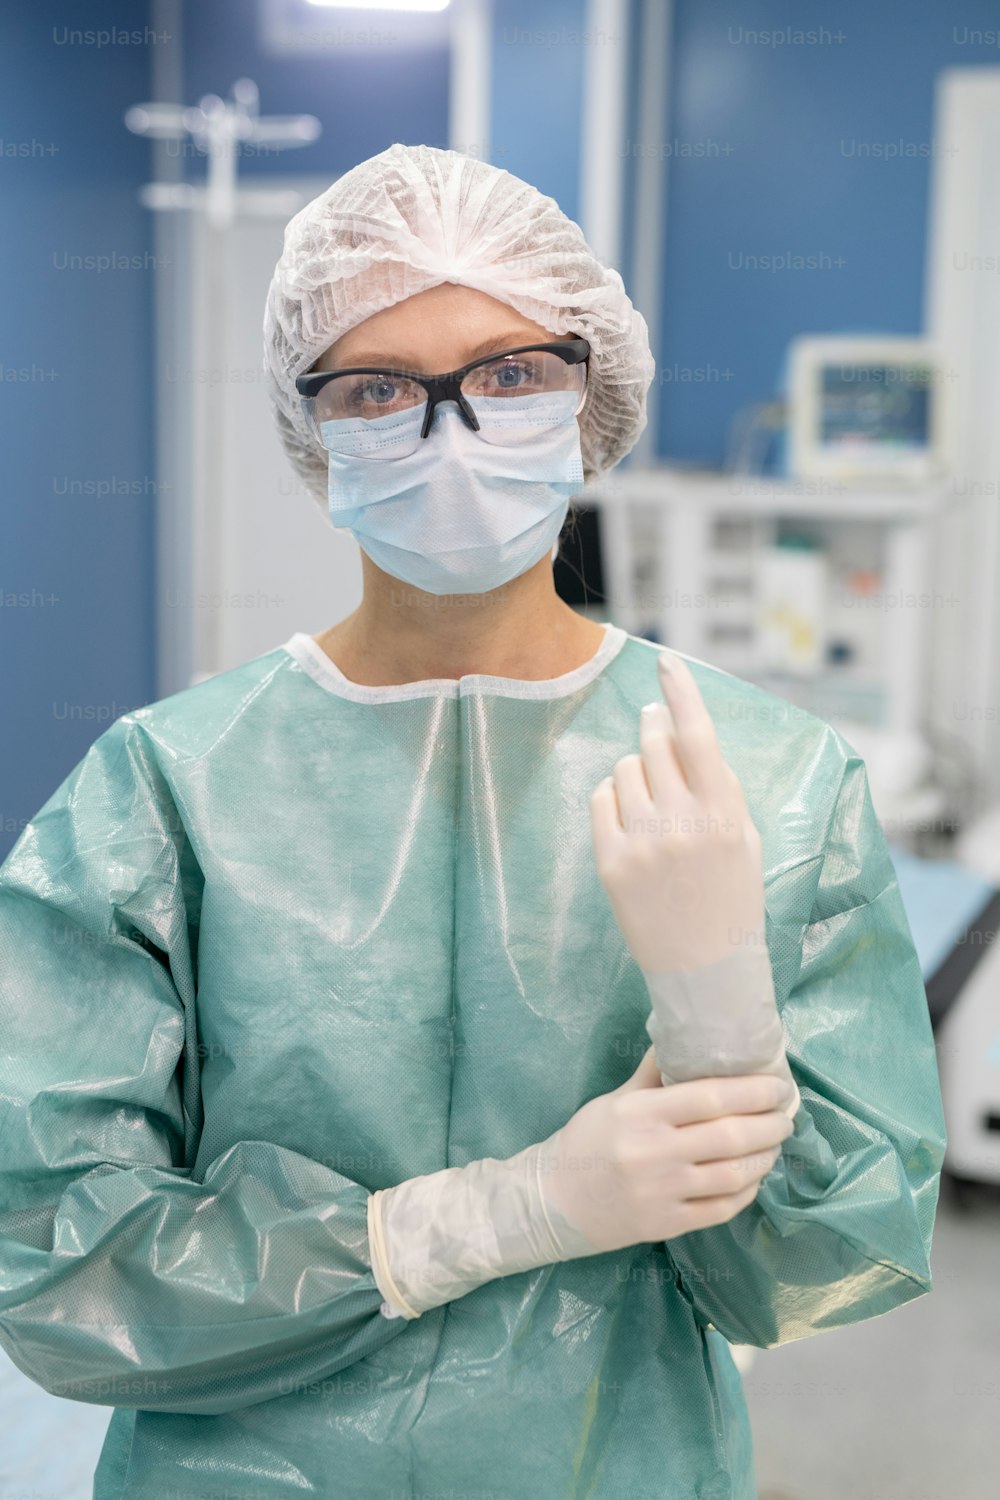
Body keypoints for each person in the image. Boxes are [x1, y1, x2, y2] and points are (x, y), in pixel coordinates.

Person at [0, 144, 946, 1500]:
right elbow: (54, 1270)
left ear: (592, 390)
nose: (450, 433)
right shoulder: (163, 790)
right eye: (380, 387)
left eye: (509, 375)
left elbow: (811, 1272)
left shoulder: (769, 781)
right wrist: (500, 1216)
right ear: (310, 421)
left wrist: (718, 1014)